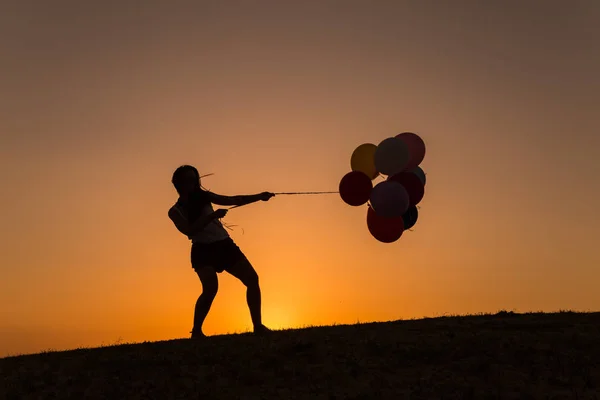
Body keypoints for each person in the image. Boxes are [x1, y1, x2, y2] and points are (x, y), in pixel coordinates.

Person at [168, 165, 275, 338]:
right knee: (210, 289)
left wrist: (259, 197)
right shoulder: (174, 211)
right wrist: (212, 216)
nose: (192, 183)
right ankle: (196, 331)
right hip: (202, 250)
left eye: (194, 179)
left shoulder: (205, 197)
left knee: (252, 279)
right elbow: (189, 230)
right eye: (188, 180)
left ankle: (258, 326)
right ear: (178, 184)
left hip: (224, 245)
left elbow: (233, 199)